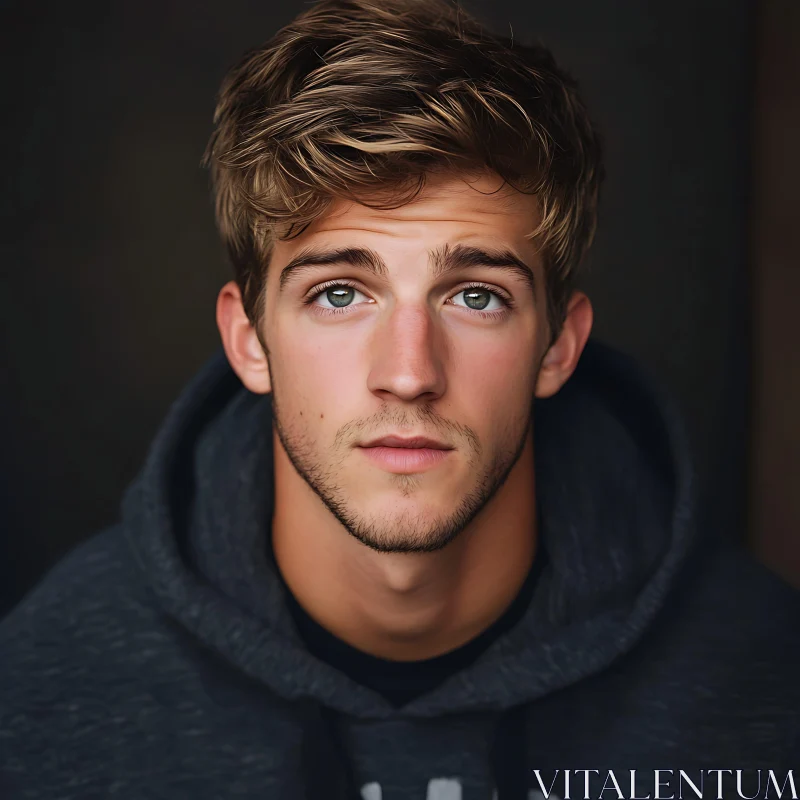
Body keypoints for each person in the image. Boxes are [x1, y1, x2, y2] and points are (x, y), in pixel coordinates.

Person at [2, 0, 798, 798]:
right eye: (341, 294)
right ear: (249, 340)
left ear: (559, 346)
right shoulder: (45, 692)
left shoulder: (762, 682)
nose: (410, 372)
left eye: (476, 297)